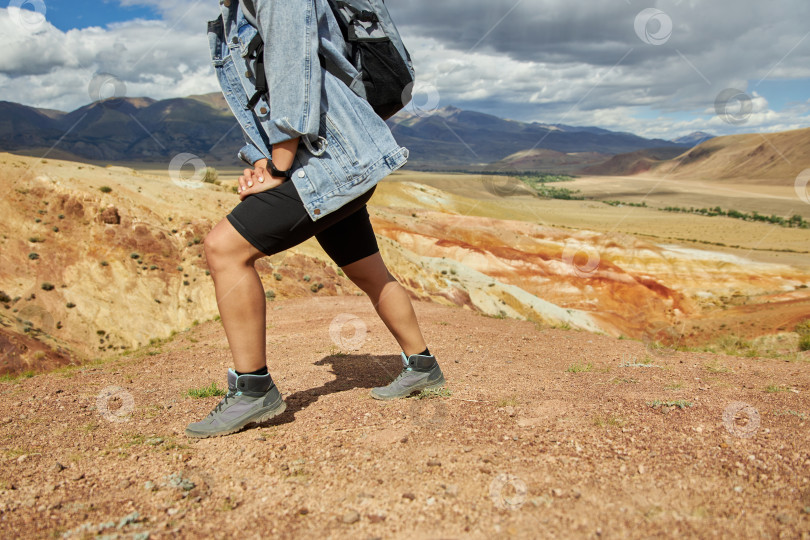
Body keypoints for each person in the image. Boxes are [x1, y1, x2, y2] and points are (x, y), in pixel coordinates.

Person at [186, 0, 445, 438]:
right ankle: (422, 366)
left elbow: (293, 71)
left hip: (326, 159)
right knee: (369, 270)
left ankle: (253, 390)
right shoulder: (232, 11)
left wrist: (278, 166)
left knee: (224, 249)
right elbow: (261, 101)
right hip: (330, 159)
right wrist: (261, 161)